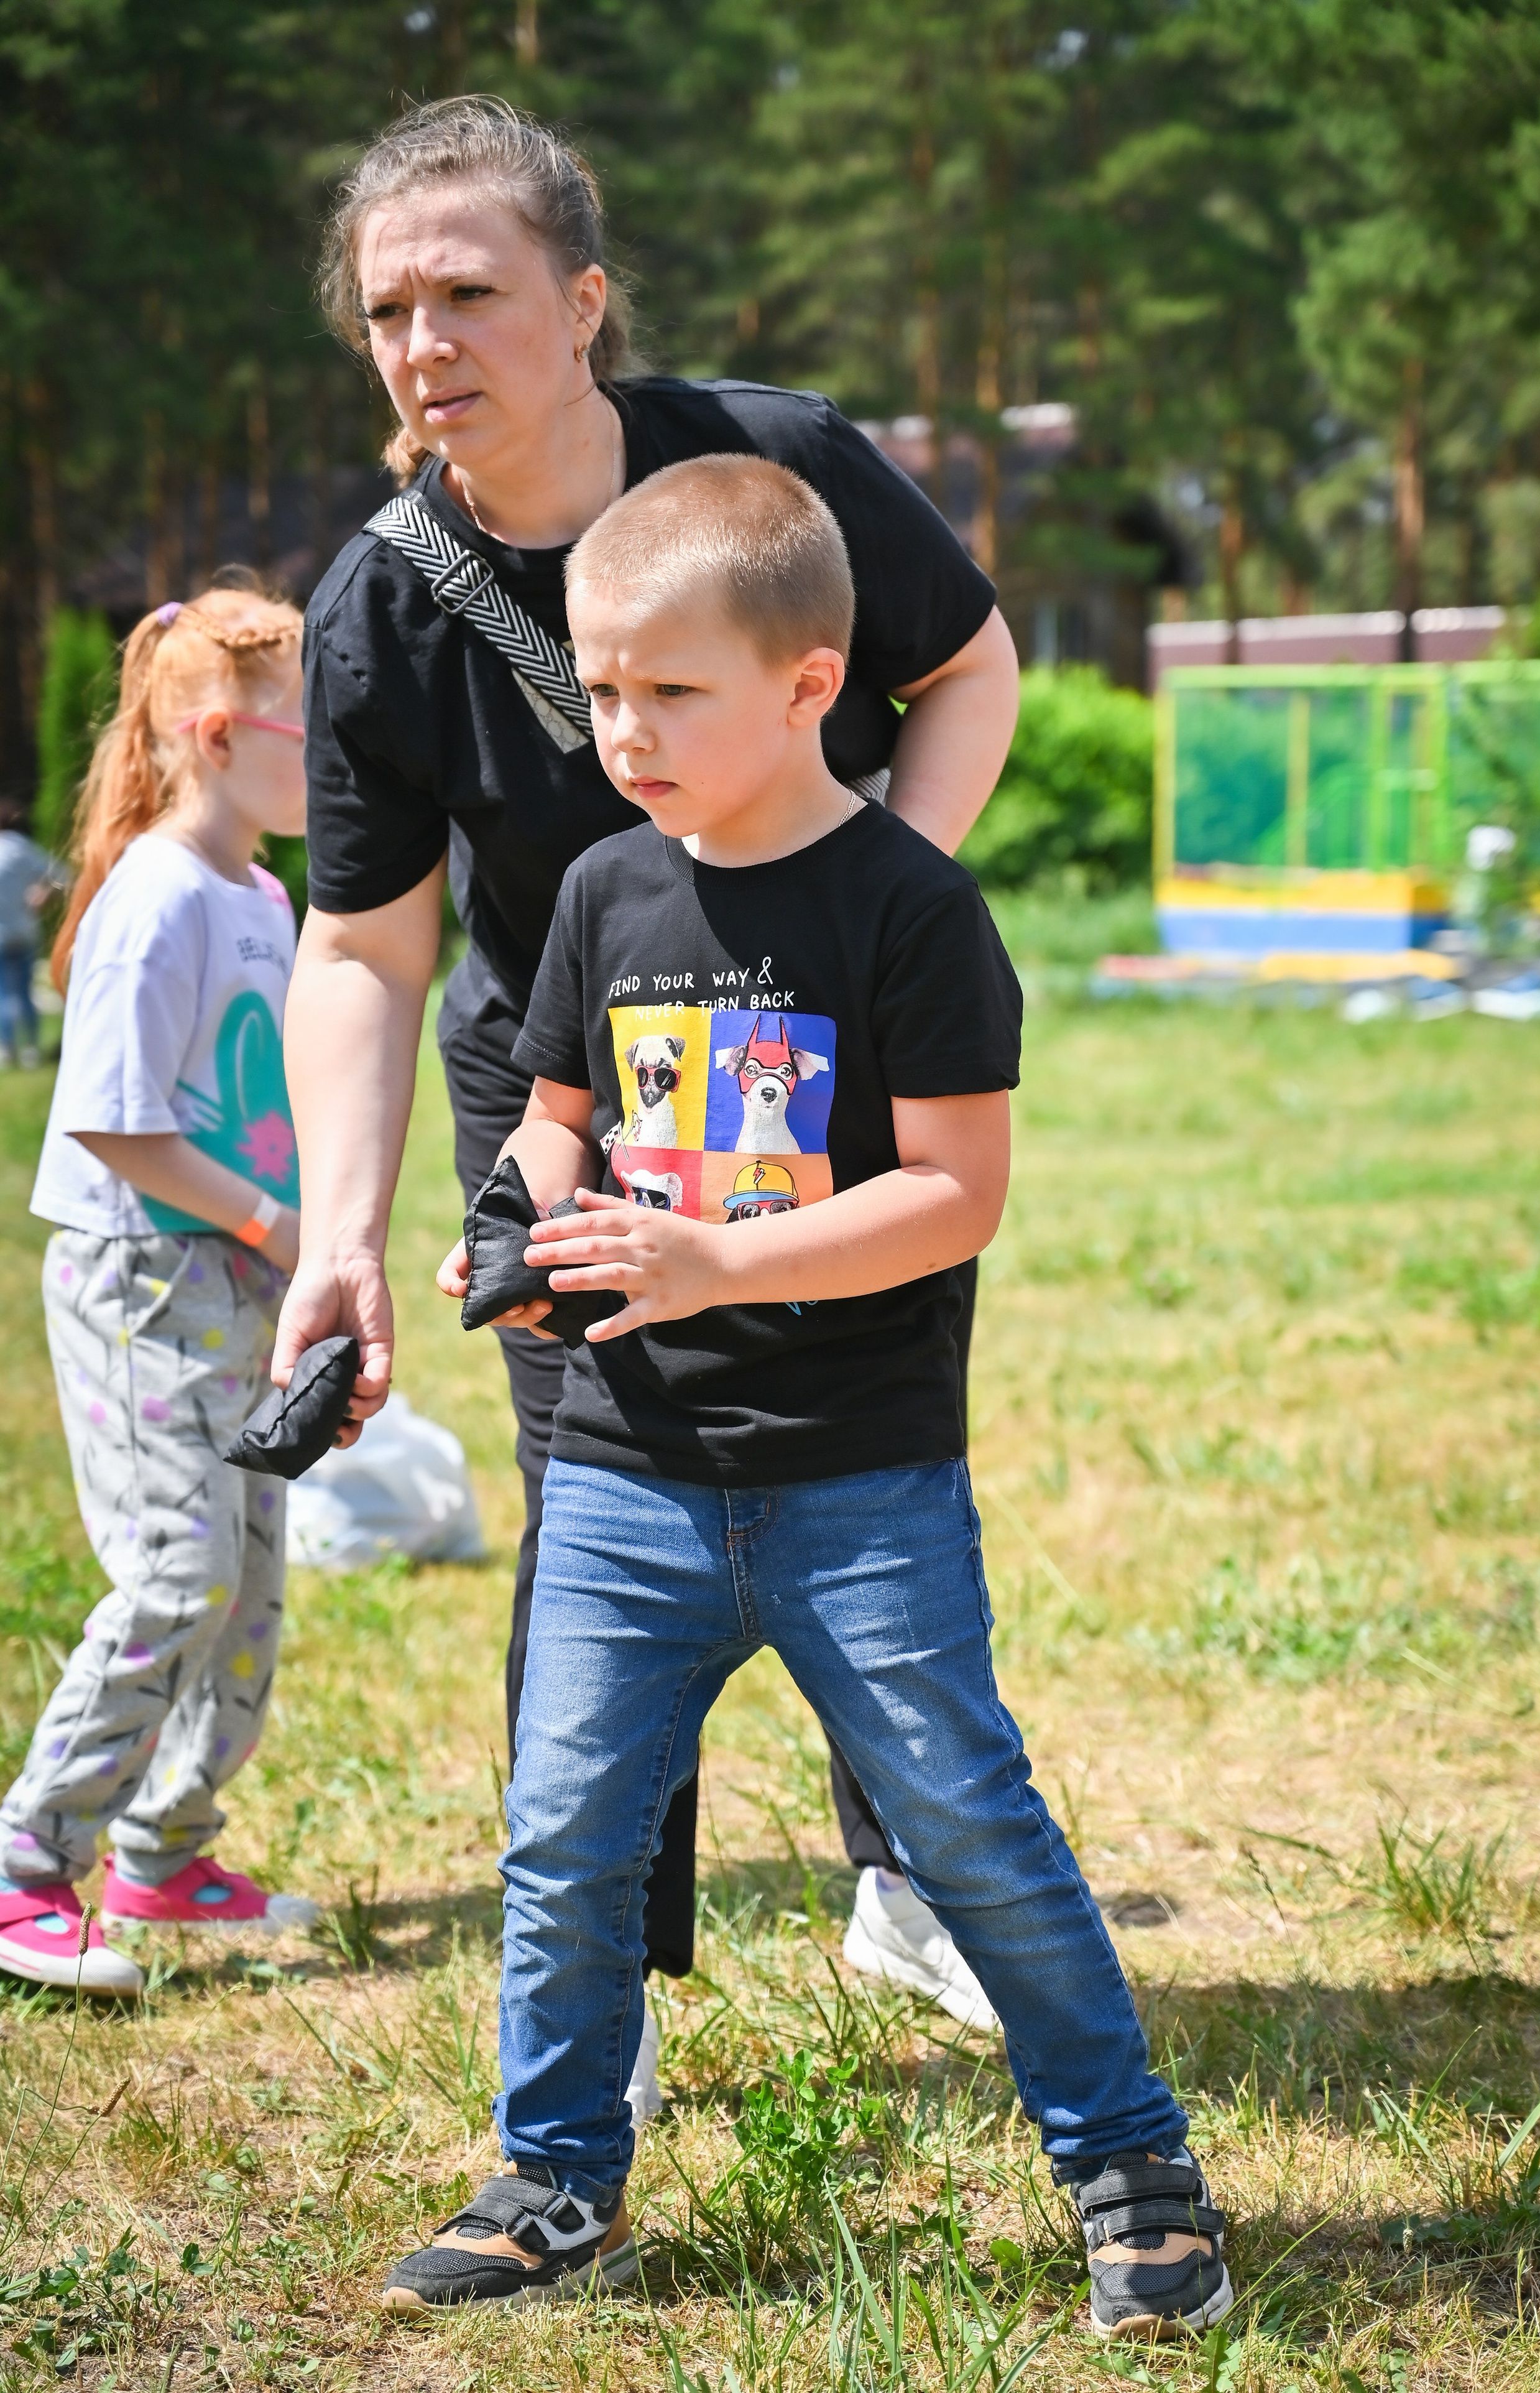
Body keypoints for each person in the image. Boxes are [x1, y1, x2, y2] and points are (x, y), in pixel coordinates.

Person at [380, 458, 1232, 2344]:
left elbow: (954, 1192)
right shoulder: (602, 888)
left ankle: (1130, 2164)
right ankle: (553, 2172)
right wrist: (519, 1218)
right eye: (602, 694)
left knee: (970, 1831)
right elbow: (555, 1106)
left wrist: (712, 1263)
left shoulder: (910, 911)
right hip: (620, 1472)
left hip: (858, 1484)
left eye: (669, 693)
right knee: (568, 1830)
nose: (625, 732)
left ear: (807, 682)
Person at [281, 95, 1020, 2058]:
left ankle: (912, 1872)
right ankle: (602, 1963)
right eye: (387, 309)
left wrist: (889, 913)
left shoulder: (771, 463)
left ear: (581, 302)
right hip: (568, 1095)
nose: (424, 342)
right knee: (603, 1492)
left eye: (469, 292)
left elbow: (966, 668)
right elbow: (363, 942)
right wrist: (339, 1237)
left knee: (860, 1448)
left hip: (826, 1053)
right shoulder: (379, 602)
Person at [0, 583, 321, 1999]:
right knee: (176, 1570)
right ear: (219, 730)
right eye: (316, 732)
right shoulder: (153, 896)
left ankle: (162, 1848)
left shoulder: (260, 892)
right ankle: (22, 1866)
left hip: (243, 1274)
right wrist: (269, 1218)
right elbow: (117, 1124)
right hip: (148, 1273)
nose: (336, 758)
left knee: (246, 1581)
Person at [0, 798, 70, 1067]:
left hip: (2, 935)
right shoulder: (21, 848)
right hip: (26, 930)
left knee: (5, 994)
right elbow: (62, 874)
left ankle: (7, 1048)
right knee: (25, 993)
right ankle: (30, 1048)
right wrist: (43, 894)